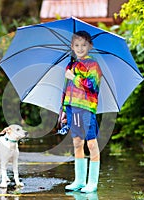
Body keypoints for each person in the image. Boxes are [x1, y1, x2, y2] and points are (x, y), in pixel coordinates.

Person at [58, 31, 102, 193]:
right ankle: (79, 180)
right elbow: (66, 90)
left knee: (91, 143)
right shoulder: (70, 65)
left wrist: (73, 77)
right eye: (77, 45)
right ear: (72, 47)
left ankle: (92, 182)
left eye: (84, 45)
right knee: (77, 142)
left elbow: (92, 86)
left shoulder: (93, 65)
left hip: (86, 108)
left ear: (90, 46)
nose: (80, 48)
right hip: (72, 108)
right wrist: (63, 109)